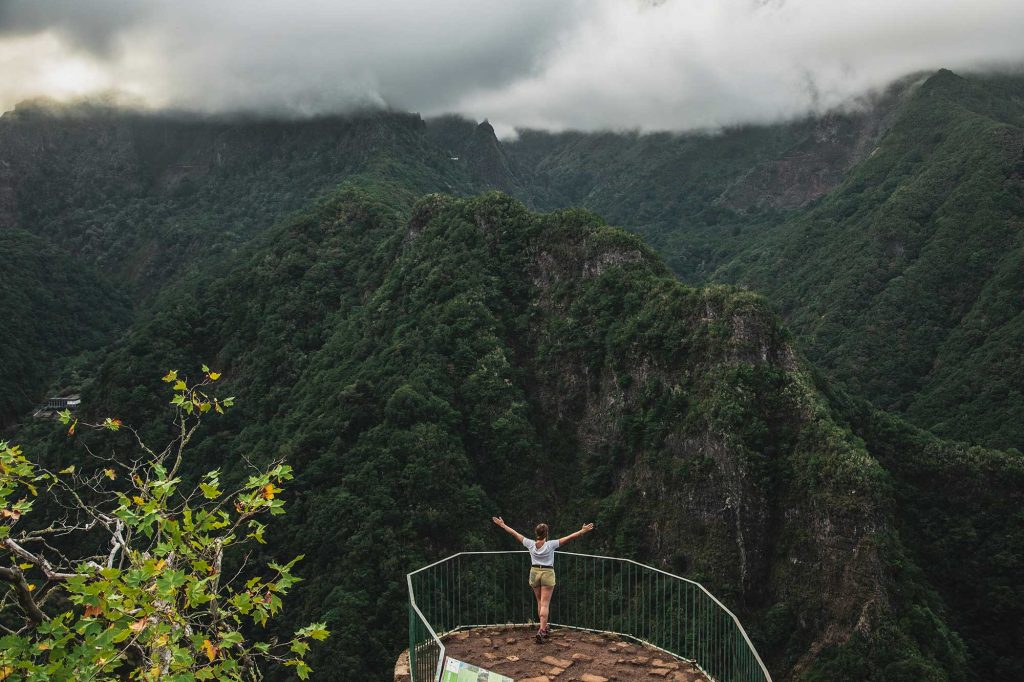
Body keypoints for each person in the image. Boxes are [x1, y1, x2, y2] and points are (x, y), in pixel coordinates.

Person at [492, 516, 595, 643]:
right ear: (546, 534)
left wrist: (502, 525)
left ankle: (543, 626)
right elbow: (570, 537)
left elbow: (514, 533)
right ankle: (542, 630)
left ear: (536, 533)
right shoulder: (551, 545)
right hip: (547, 572)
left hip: (534, 572)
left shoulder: (530, 544)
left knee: (539, 601)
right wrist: (582, 531)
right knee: (545, 604)